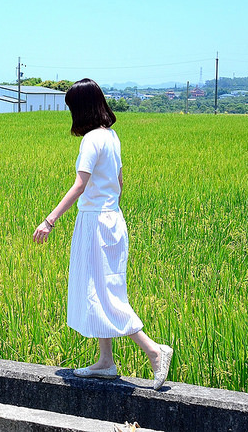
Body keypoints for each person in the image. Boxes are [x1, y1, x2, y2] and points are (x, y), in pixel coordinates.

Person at [32, 78, 173, 390]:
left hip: (95, 222)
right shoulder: (111, 136)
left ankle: (153, 350)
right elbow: (120, 182)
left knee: (106, 292)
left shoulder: (91, 140)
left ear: (80, 109)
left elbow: (80, 183)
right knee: (101, 287)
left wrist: (50, 220)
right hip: (112, 219)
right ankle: (106, 362)